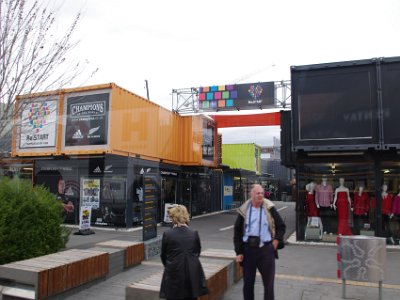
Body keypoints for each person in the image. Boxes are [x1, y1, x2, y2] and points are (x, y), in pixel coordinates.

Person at [233, 184, 286, 300]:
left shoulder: (269, 208)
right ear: (251, 195)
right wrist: (239, 252)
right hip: (248, 251)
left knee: (268, 285)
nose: (261, 195)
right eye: (258, 193)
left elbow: (281, 226)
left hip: (266, 250)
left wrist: (276, 241)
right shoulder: (244, 209)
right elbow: (237, 232)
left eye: (262, 193)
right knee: (248, 284)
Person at [159, 205, 208, 300]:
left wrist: (170, 265)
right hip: (192, 273)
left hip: (173, 272)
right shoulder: (193, 233)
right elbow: (197, 252)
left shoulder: (168, 234)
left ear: (174, 218)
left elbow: (163, 256)